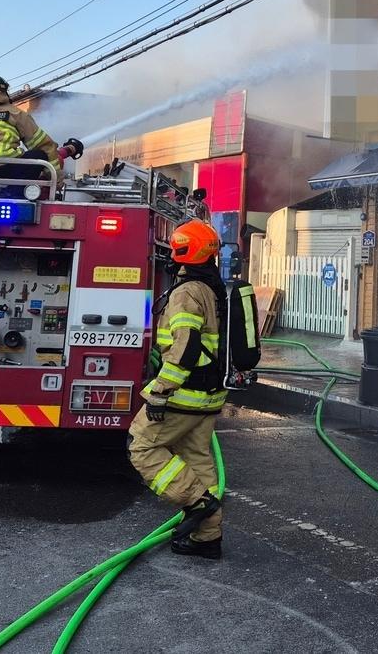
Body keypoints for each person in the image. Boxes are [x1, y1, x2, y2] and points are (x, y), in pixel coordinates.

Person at [128, 219, 229, 560]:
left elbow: (184, 347)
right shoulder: (214, 287)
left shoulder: (187, 291)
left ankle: (198, 503)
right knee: (198, 459)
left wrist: (161, 391)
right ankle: (206, 538)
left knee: (141, 446)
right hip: (209, 395)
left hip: (184, 394)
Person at [0, 73, 80, 184]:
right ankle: (14, 194)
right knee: (39, 154)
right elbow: (44, 145)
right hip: (0, 170)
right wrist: (55, 178)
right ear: (4, 93)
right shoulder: (15, 113)